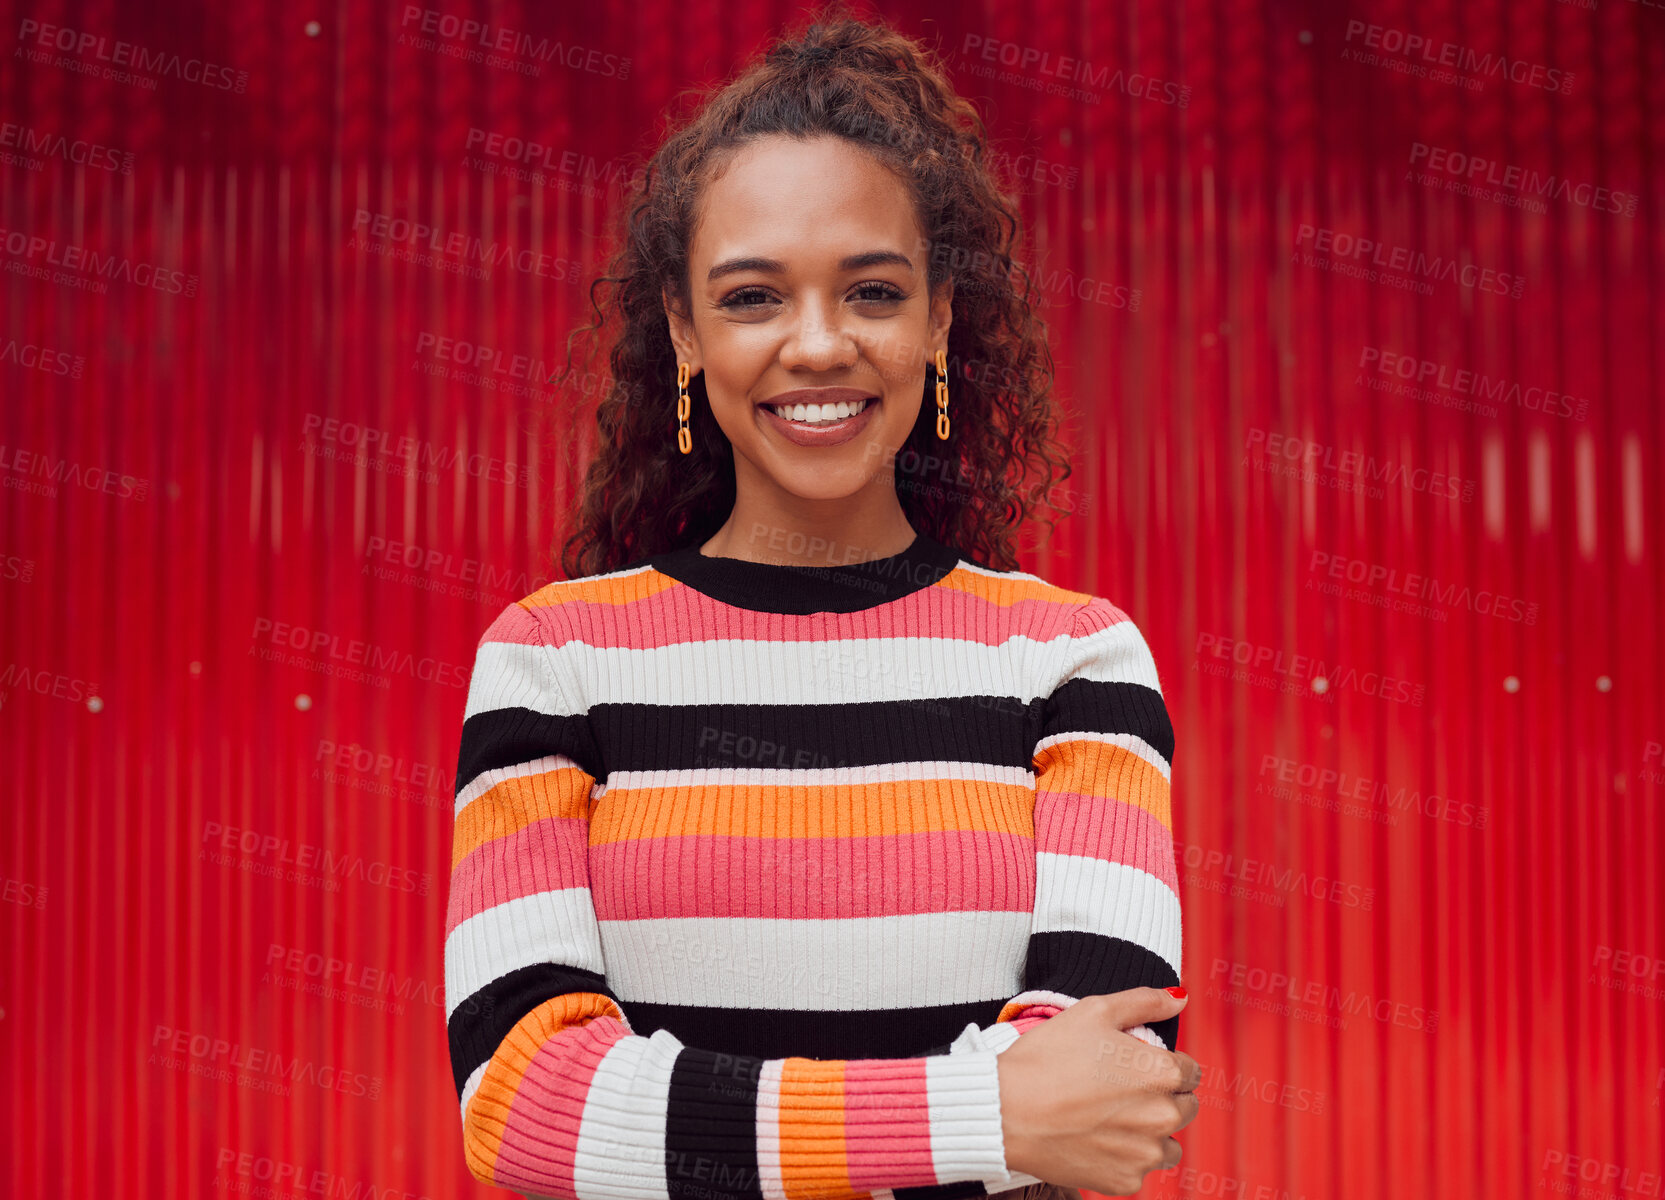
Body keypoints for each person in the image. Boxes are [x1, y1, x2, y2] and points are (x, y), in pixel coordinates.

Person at [443, 11, 1199, 1200]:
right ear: (684, 332)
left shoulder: (1072, 661)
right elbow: (529, 1106)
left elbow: (1105, 1093)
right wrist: (990, 1110)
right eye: (751, 298)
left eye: (874, 291)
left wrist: (687, 1122)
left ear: (940, 319)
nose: (816, 344)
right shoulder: (556, 659)